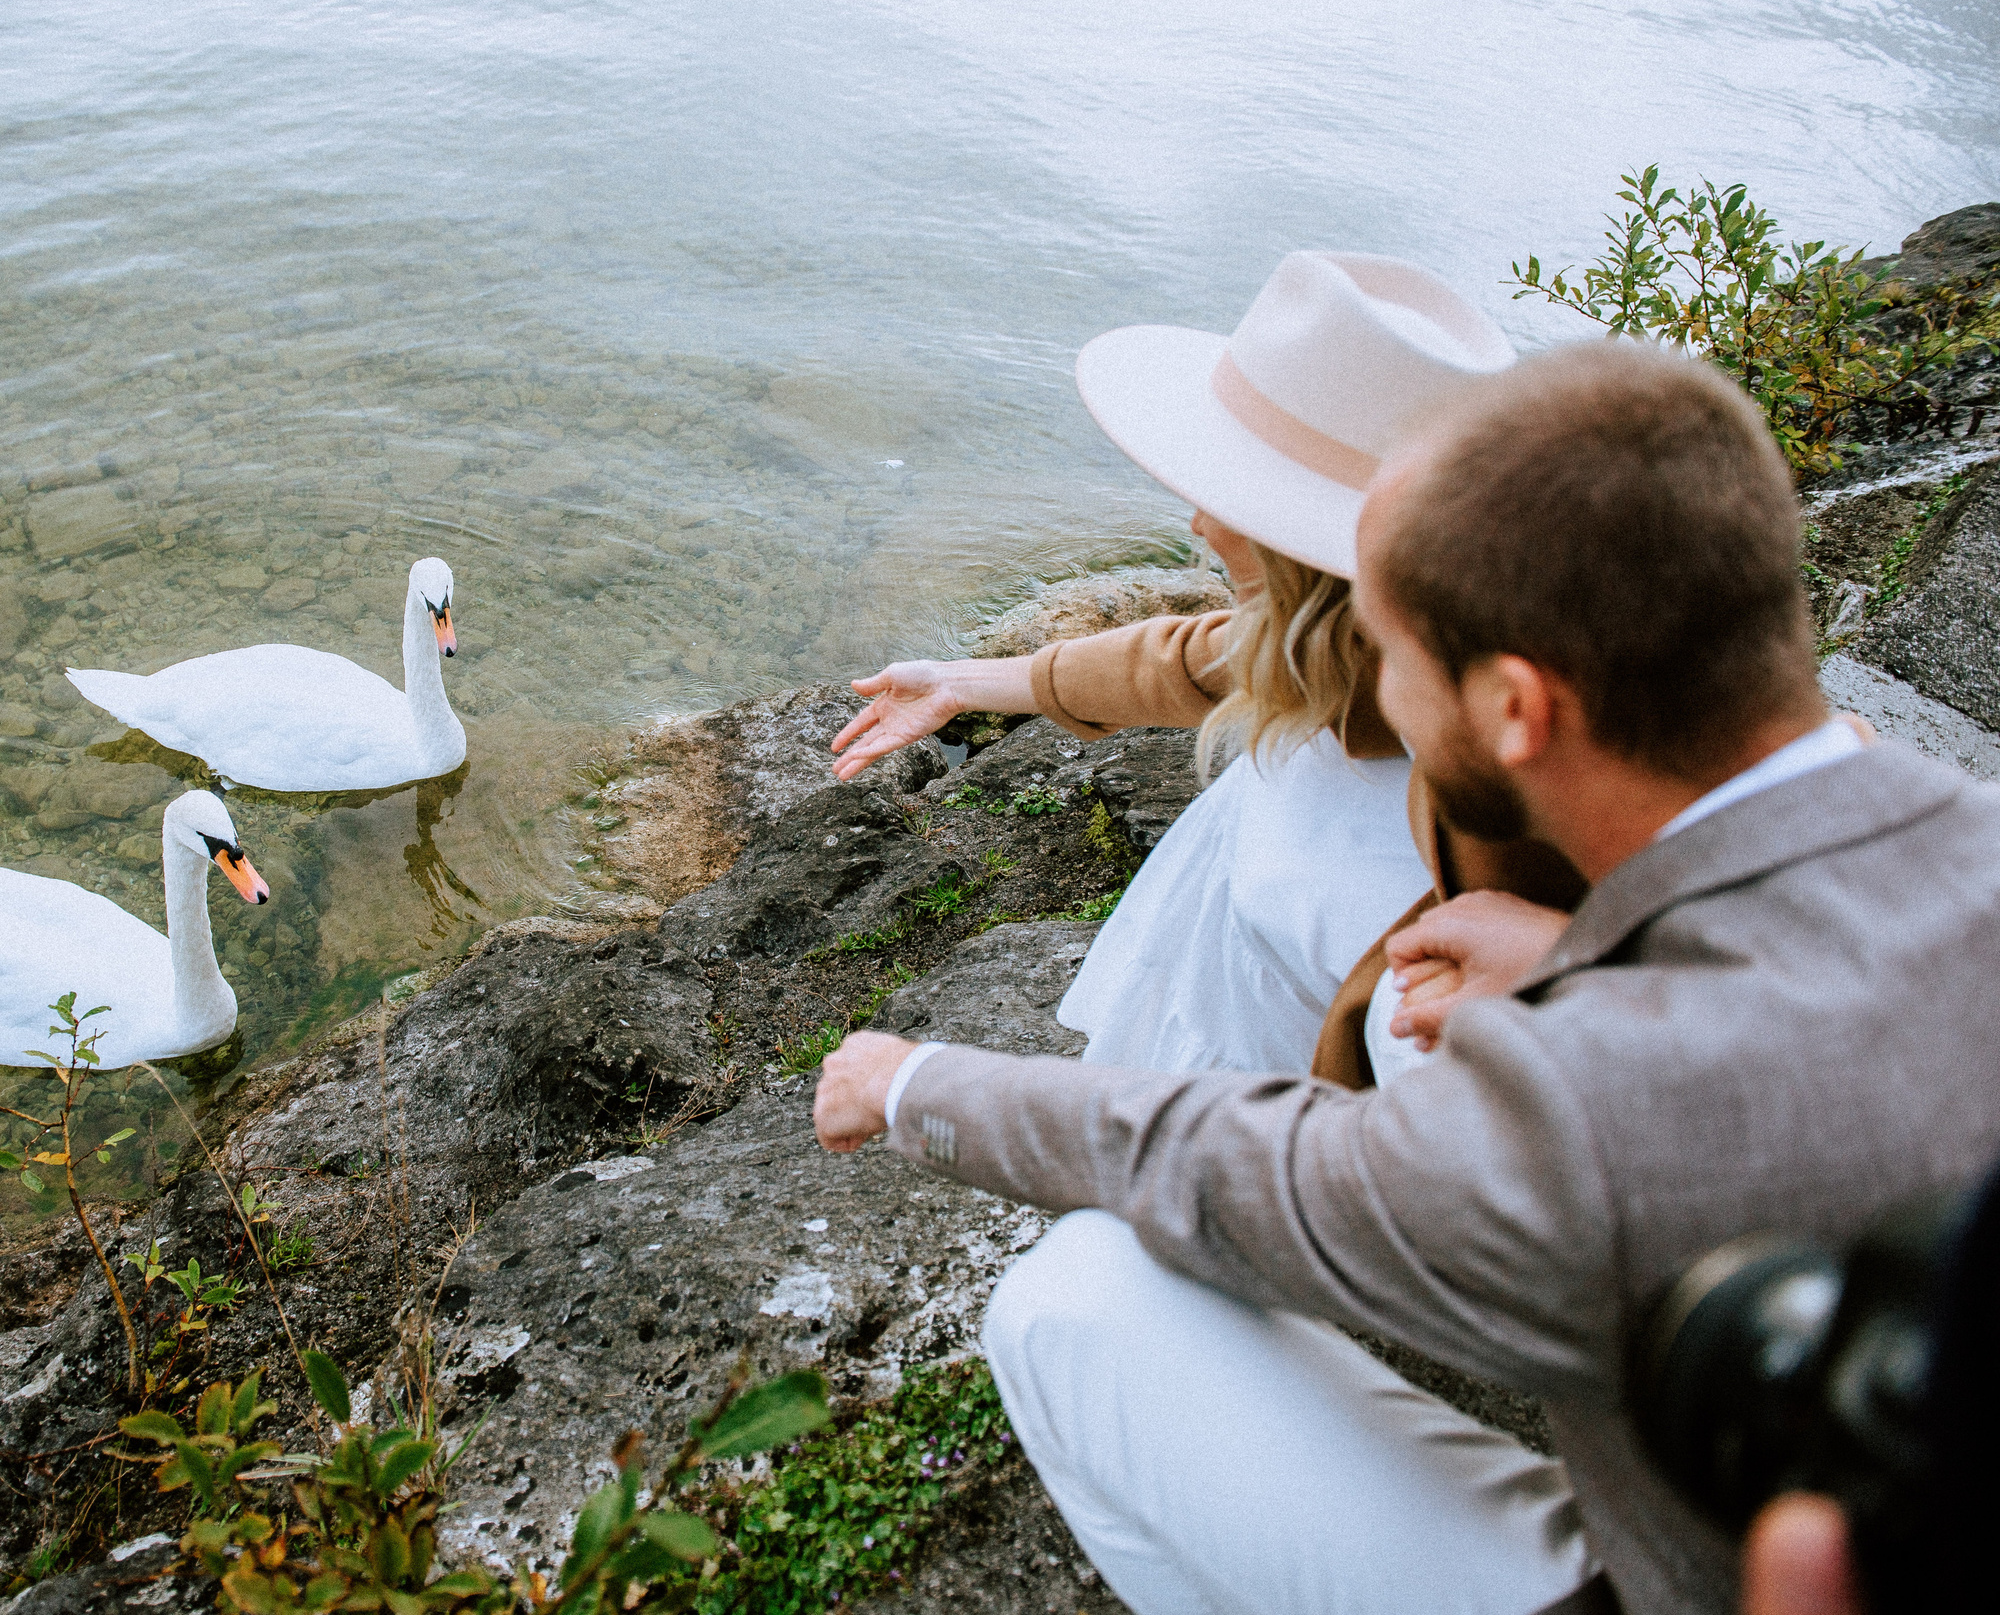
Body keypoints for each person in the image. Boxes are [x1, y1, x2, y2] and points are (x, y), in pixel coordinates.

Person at [811, 339, 2000, 1614]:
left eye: (1389, 649)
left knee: (1074, 1295)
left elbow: (1230, 1168)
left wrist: (909, 1080)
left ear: (1515, 709)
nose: (1367, 683)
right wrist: (1580, 953)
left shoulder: (1590, 1107)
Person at [830, 250, 1580, 1085]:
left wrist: (922, 1093)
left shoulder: (1485, 849)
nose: (1198, 524)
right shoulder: (1369, 643)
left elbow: (1396, 1130)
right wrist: (965, 682)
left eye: (1227, 494)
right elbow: (1195, 659)